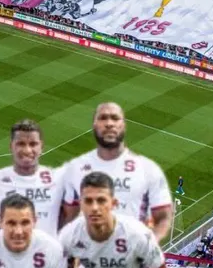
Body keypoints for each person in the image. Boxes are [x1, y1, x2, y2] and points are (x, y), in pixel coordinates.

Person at [59, 102, 174, 241]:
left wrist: (147, 247)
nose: (109, 123)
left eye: (114, 118)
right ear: (94, 124)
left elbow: (164, 216)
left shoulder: (148, 169)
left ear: (124, 124)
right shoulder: (75, 169)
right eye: (103, 118)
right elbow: (66, 217)